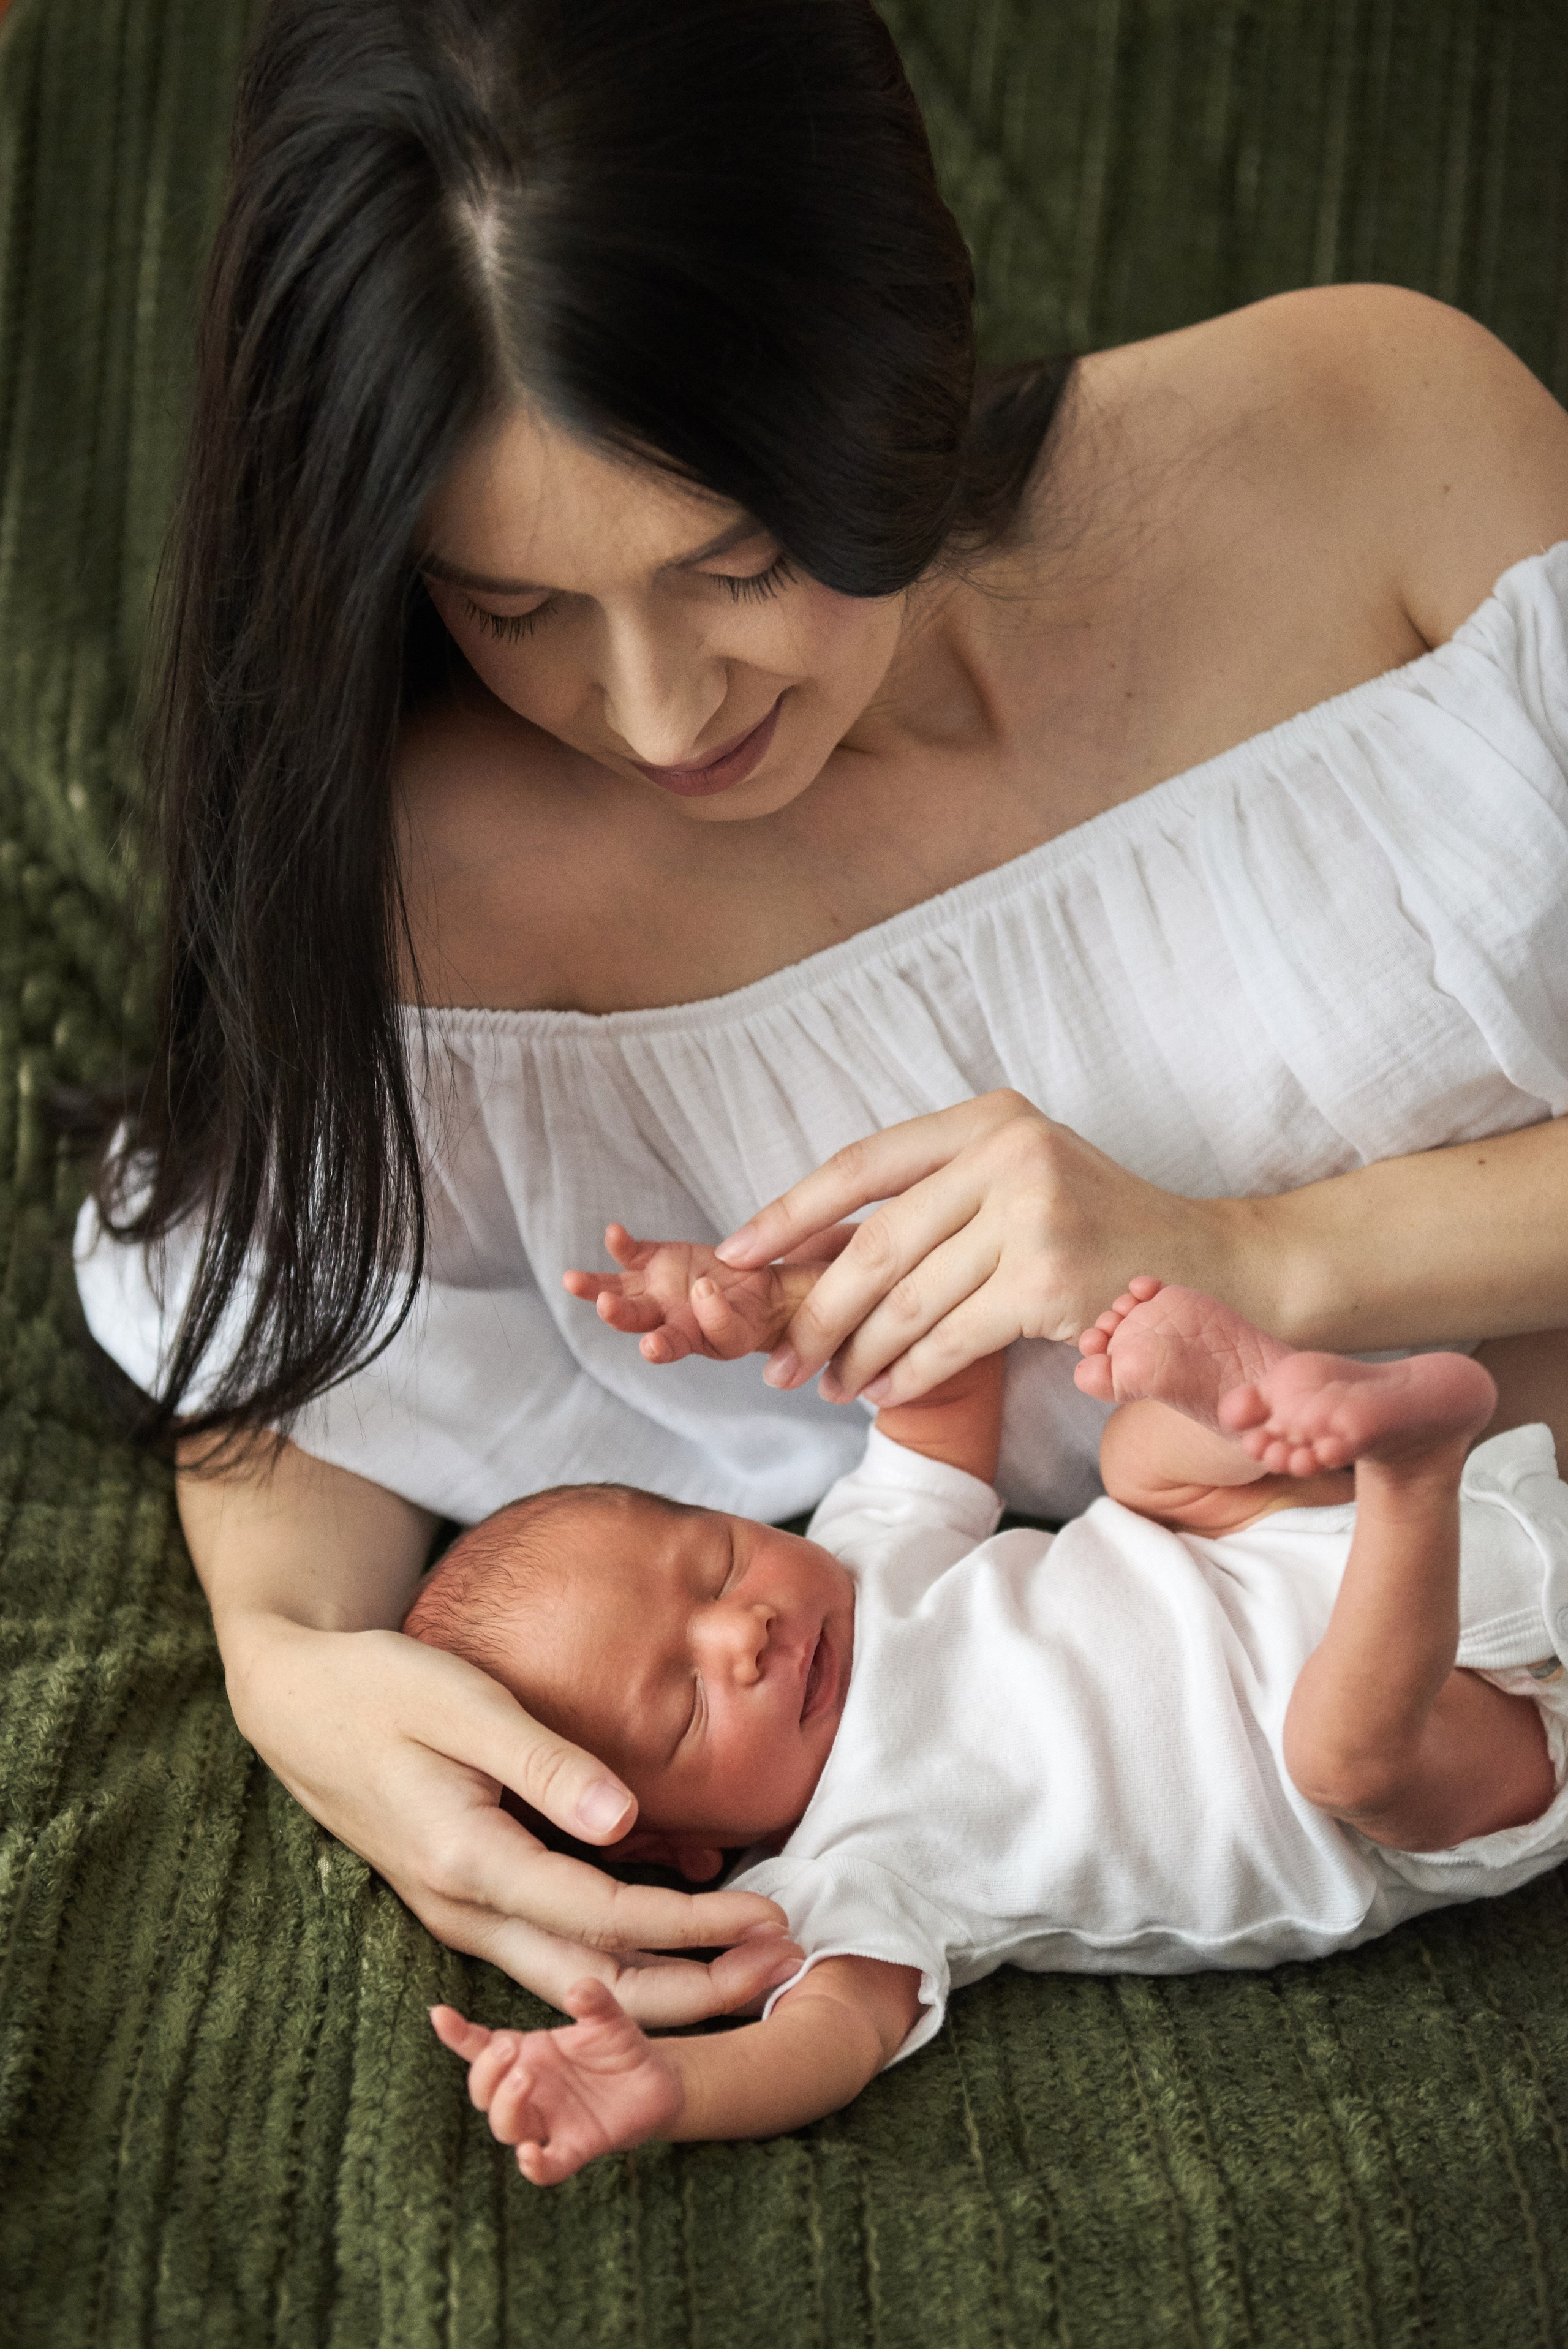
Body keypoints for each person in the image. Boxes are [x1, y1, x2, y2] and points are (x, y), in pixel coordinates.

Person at [71, 0, 1568, 2012]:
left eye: (742, 556)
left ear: (890, 358)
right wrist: (292, 1668)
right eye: (513, 607)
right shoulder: (446, 887)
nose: (665, 714)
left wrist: (1250, 1252)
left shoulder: (1373, 441)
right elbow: (306, 1331)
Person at [413, 1242, 1568, 2182]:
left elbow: (939, 1382)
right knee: (1337, 1755)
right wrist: (673, 2091)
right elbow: (827, 2046)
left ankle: (1309, 1412)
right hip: (1437, 1767)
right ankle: (1405, 1464)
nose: (743, 1632)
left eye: (716, 1562)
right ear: (680, 1845)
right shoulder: (829, 1880)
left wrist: (773, 1307)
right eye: (683, 1704)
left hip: (1327, 1548)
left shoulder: (864, 1554)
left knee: (1142, 1456)